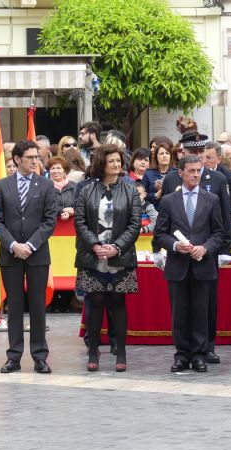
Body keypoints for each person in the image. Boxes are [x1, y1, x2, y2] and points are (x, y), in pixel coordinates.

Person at [0, 140, 58, 374]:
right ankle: (14, 356)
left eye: (36, 157)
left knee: (38, 306)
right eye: (29, 157)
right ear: (17, 159)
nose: (34, 161)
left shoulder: (46, 185)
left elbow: (50, 220)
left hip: (37, 254)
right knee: (15, 306)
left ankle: (40, 356)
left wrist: (30, 245)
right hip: (11, 255)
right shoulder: (2, 185)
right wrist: (12, 245)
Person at [154, 156, 225, 372]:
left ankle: (199, 354)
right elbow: (160, 234)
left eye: (198, 171)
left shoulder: (211, 199)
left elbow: (219, 232)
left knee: (201, 312)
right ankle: (182, 355)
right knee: (180, 312)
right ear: (181, 173)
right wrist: (175, 246)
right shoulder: (168, 201)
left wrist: (206, 248)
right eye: (192, 171)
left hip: (203, 265)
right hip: (178, 266)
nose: (196, 174)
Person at [74, 144, 141, 372]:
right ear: (101, 163)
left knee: (118, 304)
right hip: (92, 257)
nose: (116, 164)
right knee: (95, 303)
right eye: (111, 160)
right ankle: (93, 351)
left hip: (119, 257)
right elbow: (80, 222)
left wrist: (117, 247)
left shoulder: (130, 190)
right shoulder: (86, 190)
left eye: (118, 160)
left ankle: (120, 351)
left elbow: (134, 224)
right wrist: (94, 244)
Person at [142, 143, 175, 211]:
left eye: (167, 153)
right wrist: (156, 195)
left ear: (171, 156)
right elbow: (142, 195)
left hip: (173, 211)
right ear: (156, 157)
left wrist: (164, 190)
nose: (165, 156)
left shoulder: (176, 173)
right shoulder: (148, 174)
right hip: (154, 212)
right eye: (161, 153)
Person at [47, 156, 76, 222]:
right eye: (53, 168)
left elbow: (81, 206)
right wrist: (62, 210)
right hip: (50, 225)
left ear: (65, 171)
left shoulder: (74, 186)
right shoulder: (45, 187)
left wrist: (74, 210)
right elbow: (43, 207)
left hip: (72, 226)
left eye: (58, 168)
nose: (55, 171)